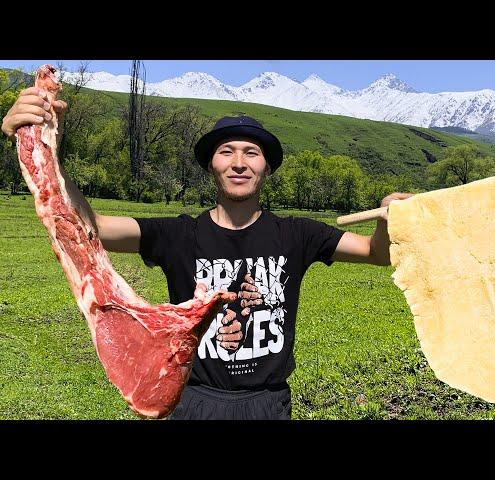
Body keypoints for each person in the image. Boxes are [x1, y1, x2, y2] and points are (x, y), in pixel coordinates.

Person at [1, 87, 413, 420]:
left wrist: (388, 216)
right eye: (226, 152)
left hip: (268, 404)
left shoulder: (297, 234)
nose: (239, 162)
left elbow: (376, 254)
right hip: (192, 401)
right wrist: (43, 145)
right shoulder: (179, 234)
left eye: (252, 153)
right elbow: (91, 227)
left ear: (267, 167)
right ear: (211, 166)